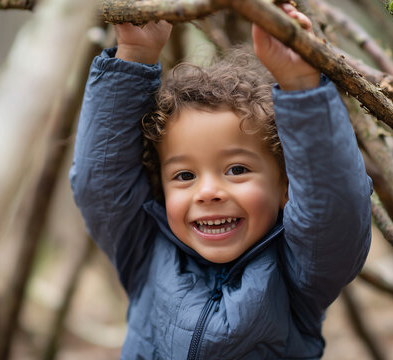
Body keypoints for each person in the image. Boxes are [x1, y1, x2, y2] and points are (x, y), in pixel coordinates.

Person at [70, 4, 372, 359]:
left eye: (237, 170)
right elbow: (101, 182)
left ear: (287, 186)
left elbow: (333, 210)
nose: (209, 192)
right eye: (185, 176)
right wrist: (135, 54)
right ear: (160, 188)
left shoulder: (300, 272)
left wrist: (300, 84)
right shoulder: (143, 250)